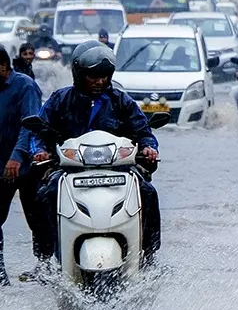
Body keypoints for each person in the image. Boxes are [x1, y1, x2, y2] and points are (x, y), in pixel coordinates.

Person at [27, 42, 162, 276]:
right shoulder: (60, 99)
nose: (99, 81)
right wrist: (40, 151)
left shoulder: (121, 100)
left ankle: (149, 257)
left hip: (119, 169)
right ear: (79, 74)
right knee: (43, 196)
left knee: (148, 193)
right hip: (69, 171)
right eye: (93, 76)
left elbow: (143, 131)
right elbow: (39, 131)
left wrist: (150, 148)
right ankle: (45, 260)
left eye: (104, 76)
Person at [0, 50, 44, 286]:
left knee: (37, 219)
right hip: (1, 166)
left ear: (3, 66)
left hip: (26, 166)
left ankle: (46, 268)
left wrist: (16, 157)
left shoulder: (25, 86)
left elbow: (30, 125)